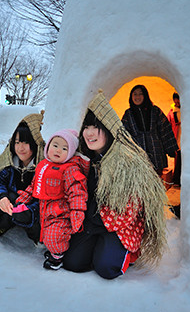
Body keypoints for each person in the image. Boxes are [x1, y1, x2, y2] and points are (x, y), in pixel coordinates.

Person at [62, 91, 168, 279]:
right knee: (73, 263)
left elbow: (128, 211)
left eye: (96, 127)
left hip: (118, 226)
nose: (89, 133)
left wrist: (92, 218)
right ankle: (98, 247)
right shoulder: (86, 160)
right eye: (86, 127)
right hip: (92, 223)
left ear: (109, 128)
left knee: (107, 269)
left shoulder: (126, 161)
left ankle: (126, 252)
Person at [16, 129, 89, 270]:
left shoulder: (70, 170)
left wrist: (77, 214)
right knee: (45, 233)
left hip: (61, 214)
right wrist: (23, 198)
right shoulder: (43, 165)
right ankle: (54, 250)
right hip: (45, 211)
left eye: (64, 148)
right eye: (55, 145)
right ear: (48, 146)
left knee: (54, 235)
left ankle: (57, 257)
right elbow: (34, 185)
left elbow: (77, 194)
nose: (58, 150)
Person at [0, 113, 46, 244]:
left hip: (31, 210)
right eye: (17, 142)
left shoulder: (43, 167)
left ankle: (36, 235)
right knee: (5, 196)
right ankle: (2, 224)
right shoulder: (8, 164)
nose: (21, 148)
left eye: (26, 142)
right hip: (11, 207)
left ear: (34, 144)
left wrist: (31, 211)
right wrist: (0, 197)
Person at [121, 84, 179, 175]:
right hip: (139, 157)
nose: (137, 97)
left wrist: (171, 149)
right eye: (135, 94)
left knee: (156, 182)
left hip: (156, 153)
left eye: (140, 94)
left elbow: (165, 130)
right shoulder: (128, 114)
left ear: (145, 95)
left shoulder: (155, 111)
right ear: (131, 97)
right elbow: (124, 135)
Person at [167, 92, 182, 187]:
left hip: (185, 135)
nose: (177, 103)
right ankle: (177, 179)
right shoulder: (172, 111)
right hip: (177, 135)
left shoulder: (187, 109)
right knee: (178, 156)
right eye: (175, 102)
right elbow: (168, 124)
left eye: (178, 102)